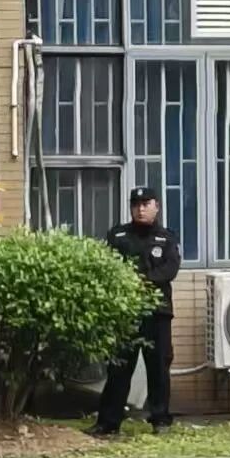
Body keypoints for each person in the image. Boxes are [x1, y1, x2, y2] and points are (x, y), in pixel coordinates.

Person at [92, 186, 182, 435]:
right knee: (119, 368)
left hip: (157, 312)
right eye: (136, 205)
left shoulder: (167, 237)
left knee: (158, 368)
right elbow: (108, 266)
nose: (140, 209)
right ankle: (108, 423)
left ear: (156, 207)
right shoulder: (118, 235)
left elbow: (170, 269)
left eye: (145, 204)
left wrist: (141, 281)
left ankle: (160, 420)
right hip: (126, 312)